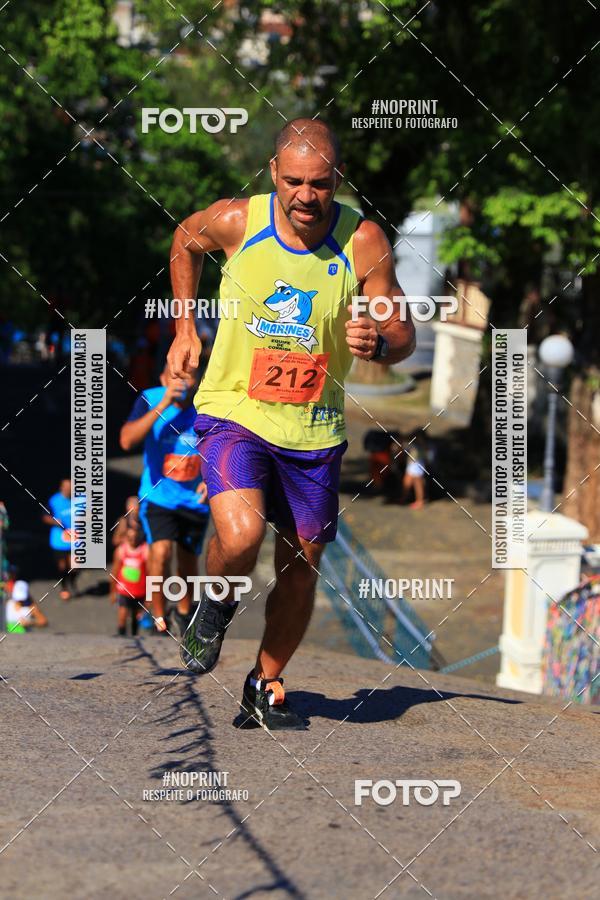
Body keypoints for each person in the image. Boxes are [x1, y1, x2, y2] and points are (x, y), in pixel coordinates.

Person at [166, 118, 415, 730]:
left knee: (301, 566)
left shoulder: (362, 241)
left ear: (338, 180)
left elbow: (404, 331)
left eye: (322, 184)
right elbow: (182, 239)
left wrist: (378, 342)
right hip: (234, 410)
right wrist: (183, 326)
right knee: (242, 535)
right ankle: (214, 602)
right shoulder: (236, 222)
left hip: (314, 428)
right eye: (295, 181)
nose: (307, 196)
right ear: (274, 173)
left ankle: (265, 680)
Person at [119, 366, 209, 636]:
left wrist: (211, 478)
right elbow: (126, 440)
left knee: (188, 562)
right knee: (160, 553)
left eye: (188, 375)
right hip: (158, 496)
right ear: (162, 379)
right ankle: (158, 615)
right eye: (174, 375)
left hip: (195, 500)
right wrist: (165, 403)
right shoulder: (150, 398)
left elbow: (221, 445)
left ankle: (183, 612)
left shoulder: (208, 403)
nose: (181, 380)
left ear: (198, 379)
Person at [110, 522, 149, 636]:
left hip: (140, 590)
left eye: (135, 537)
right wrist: (112, 592)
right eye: (130, 537)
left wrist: (149, 596)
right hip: (123, 589)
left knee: (136, 617)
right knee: (122, 614)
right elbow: (115, 571)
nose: (132, 539)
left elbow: (150, 572)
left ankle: (134, 636)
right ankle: (121, 636)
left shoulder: (145, 550)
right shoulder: (121, 550)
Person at [42, 478, 77, 601]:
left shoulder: (80, 499)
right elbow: (45, 517)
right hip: (59, 540)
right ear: (62, 488)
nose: (69, 491)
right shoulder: (54, 501)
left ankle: (72, 581)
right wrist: (55, 521)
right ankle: (64, 588)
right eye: (67, 488)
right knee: (62, 567)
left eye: (72, 488)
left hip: (76, 539)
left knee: (75, 566)